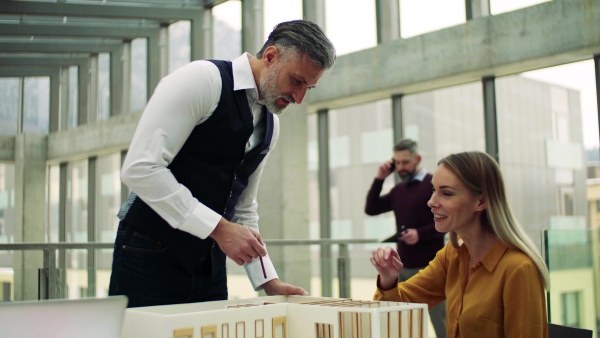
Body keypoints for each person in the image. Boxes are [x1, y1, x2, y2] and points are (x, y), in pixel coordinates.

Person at [108, 20, 336, 308]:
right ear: (270, 57)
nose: (299, 98)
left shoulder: (271, 126)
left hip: (210, 268)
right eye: (297, 81)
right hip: (147, 256)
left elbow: (243, 207)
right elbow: (140, 169)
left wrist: (268, 280)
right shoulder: (203, 80)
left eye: (309, 88)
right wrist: (218, 229)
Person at [370, 151, 550, 338]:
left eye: (446, 193)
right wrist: (388, 279)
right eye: (434, 190)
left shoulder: (518, 269)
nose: (431, 202)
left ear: (480, 201)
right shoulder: (452, 255)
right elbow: (396, 308)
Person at [364, 138, 447, 338]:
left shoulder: (431, 185)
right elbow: (371, 208)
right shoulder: (398, 190)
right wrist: (380, 178)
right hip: (403, 268)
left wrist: (420, 234)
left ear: (417, 159)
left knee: (442, 323)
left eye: (405, 162)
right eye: (397, 162)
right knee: (403, 325)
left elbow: (446, 222)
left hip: (432, 268)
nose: (401, 167)